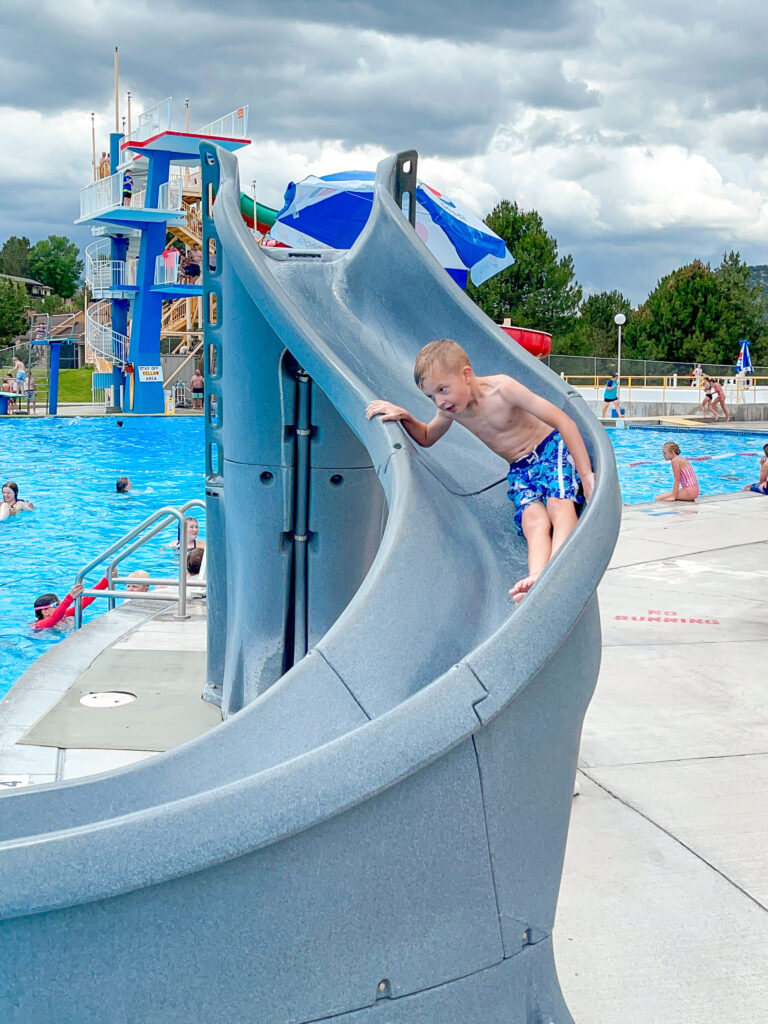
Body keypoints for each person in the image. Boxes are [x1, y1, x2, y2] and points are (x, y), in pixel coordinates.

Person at [365, 337, 594, 603]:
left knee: (558, 505)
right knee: (533, 521)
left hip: (549, 449)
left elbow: (562, 420)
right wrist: (405, 416)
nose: (439, 402)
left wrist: (585, 474)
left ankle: (559, 569)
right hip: (520, 469)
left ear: (466, 374)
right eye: (431, 396)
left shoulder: (503, 389)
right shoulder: (452, 411)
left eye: (443, 389)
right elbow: (427, 436)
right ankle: (537, 578)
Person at [32, 578, 109, 631]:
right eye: (57, 605)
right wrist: (70, 597)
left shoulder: (65, 615)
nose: (61, 607)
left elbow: (86, 601)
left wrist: (106, 580)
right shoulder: (40, 625)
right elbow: (55, 618)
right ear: (45, 612)